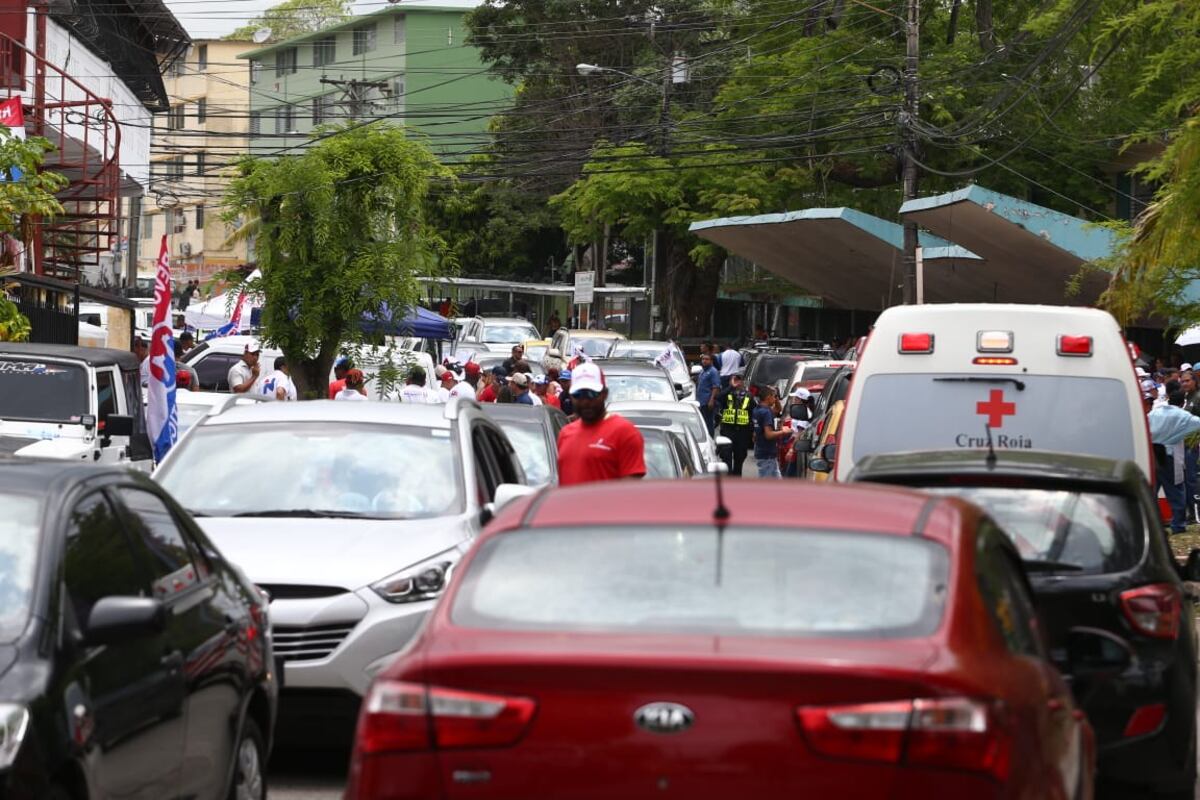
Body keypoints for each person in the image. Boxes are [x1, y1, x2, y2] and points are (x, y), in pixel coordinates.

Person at [556, 362, 646, 486]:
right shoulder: (565, 434)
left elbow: (630, 491)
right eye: (578, 395)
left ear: (605, 394)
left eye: (592, 394)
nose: (585, 401)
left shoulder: (625, 432)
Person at [1149, 380, 1200, 533]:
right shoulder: (1183, 416)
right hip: (1169, 454)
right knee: (1176, 490)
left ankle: (1150, 523)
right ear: (1183, 402)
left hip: (1152, 453)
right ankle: (1178, 524)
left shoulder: (1154, 412)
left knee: (1151, 490)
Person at [717, 370, 754, 476]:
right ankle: (728, 478)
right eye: (735, 379)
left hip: (742, 432)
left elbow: (753, 413)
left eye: (739, 379)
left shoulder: (748, 396)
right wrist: (731, 387)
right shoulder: (726, 393)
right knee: (726, 456)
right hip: (728, 430)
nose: (737, 382)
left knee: (740, 457)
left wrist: (752, 431)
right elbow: (718, 398)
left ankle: (737, 478)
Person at [751, 385, 787, 479]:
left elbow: (778, 409)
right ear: (768, 397)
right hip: (767, 454)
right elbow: (768, 434)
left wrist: (776, 397)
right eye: (774, 397)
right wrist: (783, 432)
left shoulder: (758, 409)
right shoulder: (766, 412)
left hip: (764, 451)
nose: (775, 399)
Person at [695, 353, 722, 435]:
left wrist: (711, 400)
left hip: (707, 401)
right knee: (703, 422)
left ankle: (710, 438)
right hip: (701, 401)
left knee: (708, 422)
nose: (704, 361)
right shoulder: (703, 371)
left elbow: (716, 387)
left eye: (707, 359)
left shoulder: (713, 372)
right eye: (703, 359)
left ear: (711, 361)